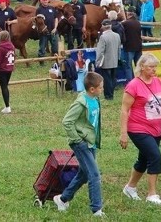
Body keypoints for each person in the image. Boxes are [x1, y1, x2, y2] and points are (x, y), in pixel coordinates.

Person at [119, 53, 161, 206]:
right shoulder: (134, 85)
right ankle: (152, 194)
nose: (154, 70)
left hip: (156, 128)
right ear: (141, 67)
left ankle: (130, 188)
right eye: (150, 67)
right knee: (155, 156)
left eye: (155, 67)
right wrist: (123, 133)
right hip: (138, 128)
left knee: (144, 159)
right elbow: (124, 109)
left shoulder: (158, 83)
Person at [53, 72, 104, 217]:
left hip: (90, 143)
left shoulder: (95, 99)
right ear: (92, 89)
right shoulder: (81, 102)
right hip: (81, 144)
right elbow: (66, 121)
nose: (102, 90)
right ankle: (97, 209)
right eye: (100, 88)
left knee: (83, 174)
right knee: (94, 175)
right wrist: (78, 140)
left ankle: (62, 199)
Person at [96, 19, 121, 100]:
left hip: (106, 61)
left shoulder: (103, 37)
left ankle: (108, 96)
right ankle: (111, 93)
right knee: (113, 78)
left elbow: (100, 51)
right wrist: (118, 58)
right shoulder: (117, 35)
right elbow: (119, 49)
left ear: (103, 26)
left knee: (107, 80)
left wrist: (98, 61)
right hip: (115, 60)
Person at [0, 30, 16, 114]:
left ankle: (7, 106)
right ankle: (7, 106)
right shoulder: (12, 46)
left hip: (2, 69)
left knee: (4, 87)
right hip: (9, 68)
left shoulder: (1, 48)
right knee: (5, 86)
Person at [36, 0, 58, 66]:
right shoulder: (39, 9)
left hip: (53, 31)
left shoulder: (52, 8)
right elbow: (38, 21)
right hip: (44, 32)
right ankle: (41, 62)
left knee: (55, 47)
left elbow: (56, 18)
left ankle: (56, 61)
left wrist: (55, 28)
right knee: (42, 47)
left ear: (48, 0)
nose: (45, 1)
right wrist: (42, 29)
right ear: (41, 0)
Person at [122, 12, 142, 82]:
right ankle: (140, 80)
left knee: (128, 66)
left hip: (129, 47)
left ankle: (130, 82)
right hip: (138, 47)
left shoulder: (125, 23)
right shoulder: (138, 23)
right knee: (139, 65)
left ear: (129, 16)